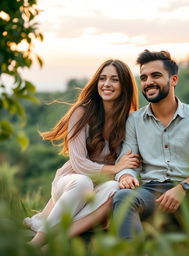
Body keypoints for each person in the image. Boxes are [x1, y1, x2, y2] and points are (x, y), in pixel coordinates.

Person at [113, 49, 189, 239]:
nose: (148, 82)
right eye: (143, 77)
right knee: (123, 197)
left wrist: (183, 187)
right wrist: (125, 176)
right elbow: (126, 161)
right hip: (150, 194)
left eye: (156, 75)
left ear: (174, 79)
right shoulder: (134, 121)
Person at [24, 59, 140, 246]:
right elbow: (79, 164)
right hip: (71, 182)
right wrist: (116, 168)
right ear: (96, 83)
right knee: (83, 181)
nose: (107, 84)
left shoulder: (129, 121)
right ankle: (36, 244)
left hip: (99, 189)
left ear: (124, 86)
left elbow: (129, 163)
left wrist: (123, 174)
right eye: (102, 78)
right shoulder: (82, 112)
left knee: (115, 189)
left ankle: (56, 241)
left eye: (114, 79)